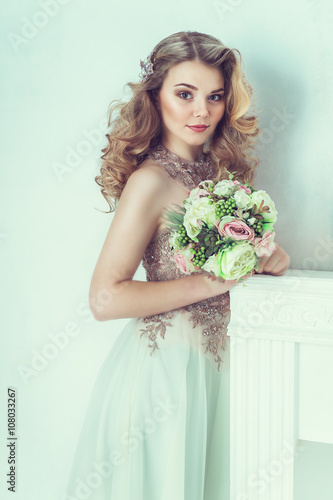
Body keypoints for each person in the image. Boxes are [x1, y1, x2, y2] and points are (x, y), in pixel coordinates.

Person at [63, 31, 290, 500]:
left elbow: (244, 269)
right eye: (184, 94)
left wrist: (271, 258)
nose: (201, 111)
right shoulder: (150, 181)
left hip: (222, 372)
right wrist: (214, 281)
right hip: (165, 376)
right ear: (156, 97)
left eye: (215, 97)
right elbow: (105, 298)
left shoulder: (223, 177)